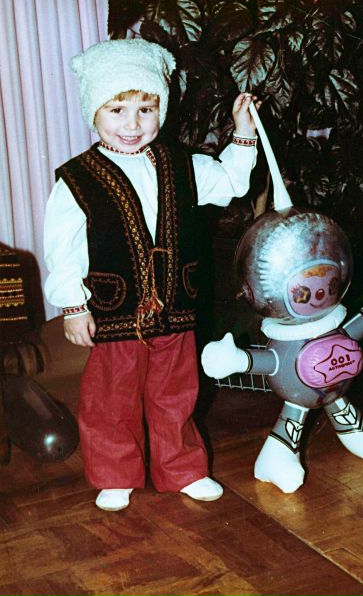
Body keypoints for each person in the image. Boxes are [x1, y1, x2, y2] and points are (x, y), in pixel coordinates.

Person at [43, 38, 259, 511]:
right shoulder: (78, 178)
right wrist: (73, 305)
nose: (132, 124)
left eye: (146, 109)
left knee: (176, 393)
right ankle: (115, 474)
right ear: (93, 113)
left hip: (175, 306)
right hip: (115, 309)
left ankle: (182, 469)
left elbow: (230, 182)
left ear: (161, 108)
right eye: (117, 110)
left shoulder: (183, 164)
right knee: (111, 397)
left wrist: (243, 132)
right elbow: (63, 247)